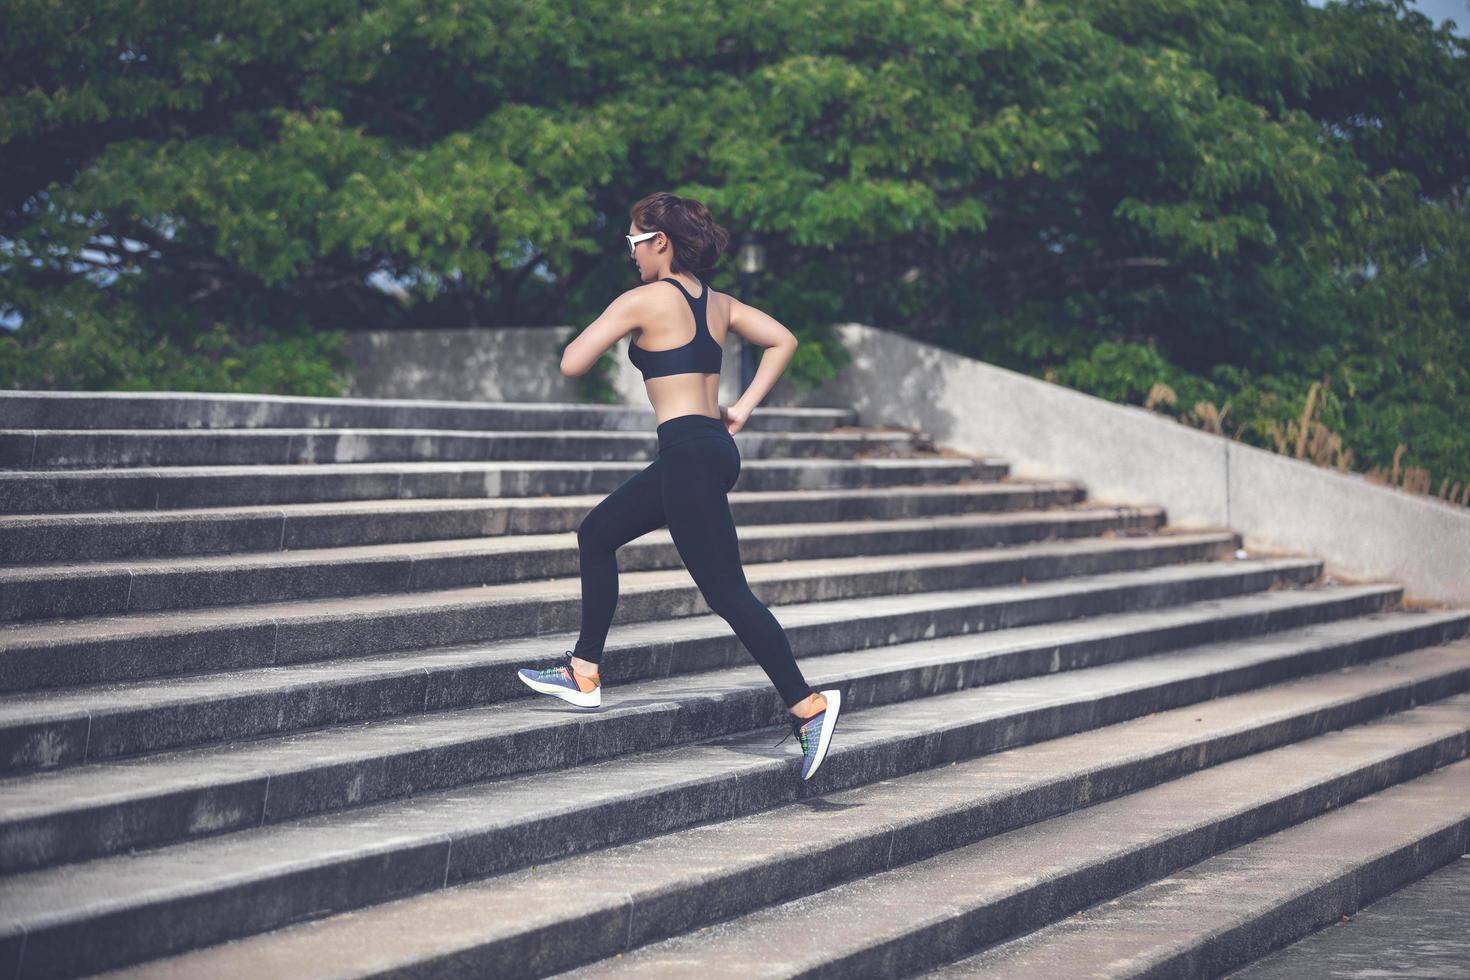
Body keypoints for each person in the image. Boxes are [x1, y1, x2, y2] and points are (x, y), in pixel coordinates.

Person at [516, 191, 842, 780]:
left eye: (634, 242)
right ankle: (583, 670)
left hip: (688, 452)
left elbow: (572, 362)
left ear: (659, 242)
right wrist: (740, 407)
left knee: (726, 593)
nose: (631, 254)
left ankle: (807, 706)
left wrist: (616, 320)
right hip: (708, 448)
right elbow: (784, 339)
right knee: (597, 533)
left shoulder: (642, 300)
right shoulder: (719, 303)